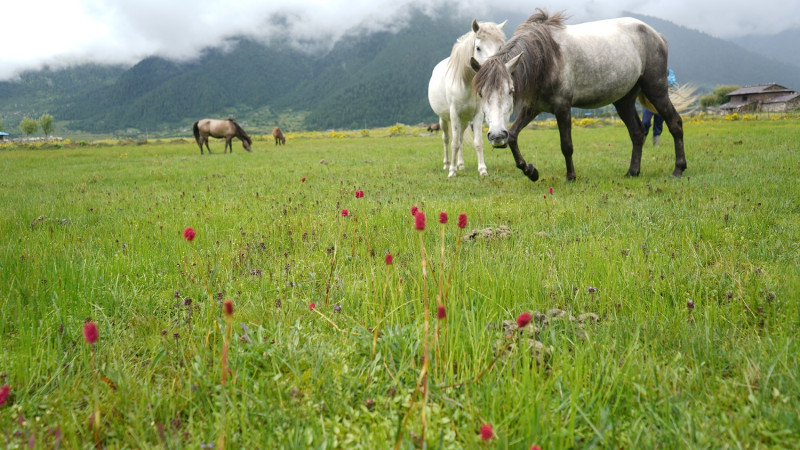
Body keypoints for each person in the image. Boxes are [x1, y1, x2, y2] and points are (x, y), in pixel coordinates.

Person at [642, 69, 677, 147]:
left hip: (661, 102)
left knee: (658, 123)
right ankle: (641, 142)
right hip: (648, 101)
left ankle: (656, 144)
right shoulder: (648, 69)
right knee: (645, 121)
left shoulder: (668, 71)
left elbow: (672, 81)